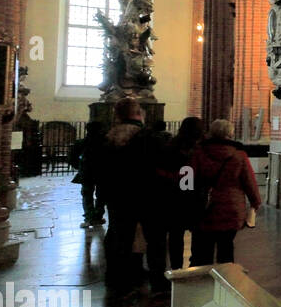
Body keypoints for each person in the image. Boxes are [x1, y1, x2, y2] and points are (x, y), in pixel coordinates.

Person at [95, 97, 168, 296]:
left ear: (117, 116)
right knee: (155, 240)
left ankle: (118, 281)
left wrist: (101, 197)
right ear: (138, 114)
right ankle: (158, 282)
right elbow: (163, 166)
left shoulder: (106, 139)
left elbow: (99, 171)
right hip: (148, 196)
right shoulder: (150, 137)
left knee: (119, 237)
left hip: (118, 197)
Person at [188, 119, 262, 268]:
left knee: (203, 252)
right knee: (226, 248)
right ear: (230, 133)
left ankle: (203, 283)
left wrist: (188, 198)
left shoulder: (198, 153)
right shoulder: (239, 155)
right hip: (231, 210)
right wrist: (255, 202)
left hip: (204, 208)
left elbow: (187, 181)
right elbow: (249, 182)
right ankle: (226, 281)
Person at [154, 117, 206, 277]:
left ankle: (176, 267)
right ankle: (195, 266)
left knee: (175, 236)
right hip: (194, 197)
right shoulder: (199, 149)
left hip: (172, 197)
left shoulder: (170, 146)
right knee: (198, 234)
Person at [71, 120, 108, 228]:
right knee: (101, 196)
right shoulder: (106, 142)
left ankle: (89, 218)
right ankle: (98, 217)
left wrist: (79, 167)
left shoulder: (82, 142)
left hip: (87, 172)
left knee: (87, 195)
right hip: (103, 172)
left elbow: (72, 158)